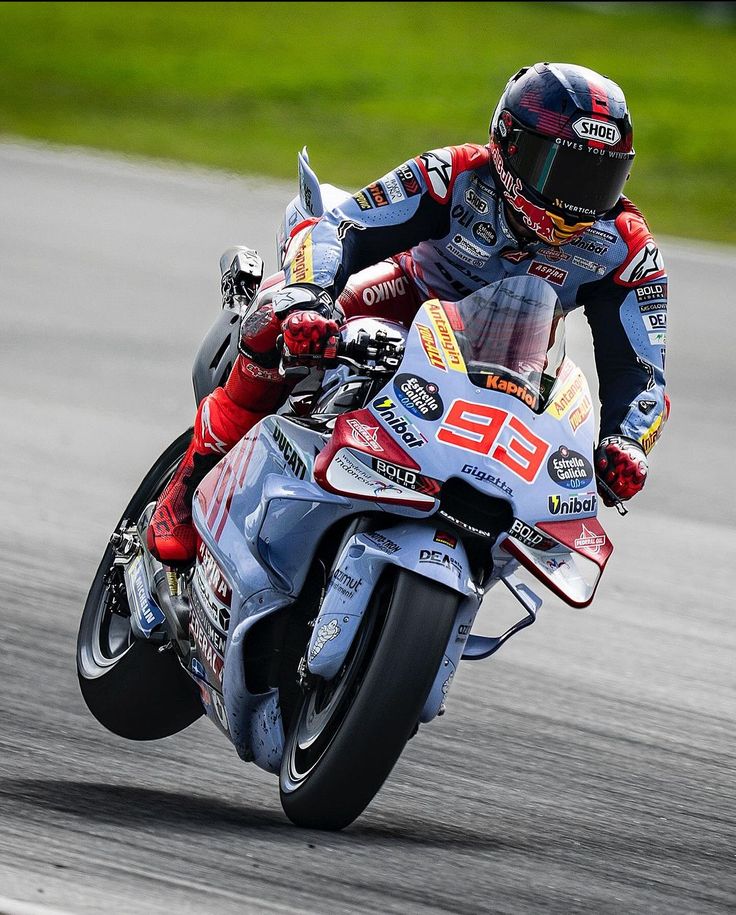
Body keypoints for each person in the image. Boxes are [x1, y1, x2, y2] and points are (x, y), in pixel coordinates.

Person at [147, 62, 669, 565]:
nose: (574, 201)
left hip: (511, 352)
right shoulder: (453, 175)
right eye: (562, 170)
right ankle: (192, 480)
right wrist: (308, 298)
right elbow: (340, 227)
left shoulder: (625, 248)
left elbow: (642, 372)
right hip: (405, 296)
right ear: (509, 144)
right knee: (274, 319)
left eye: (597, 180)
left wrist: (627, 442)